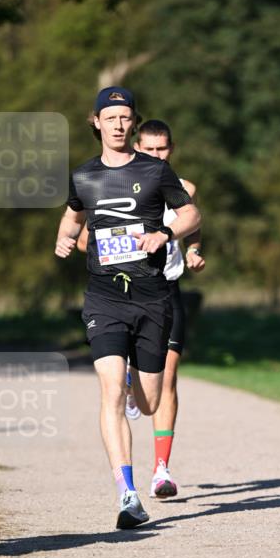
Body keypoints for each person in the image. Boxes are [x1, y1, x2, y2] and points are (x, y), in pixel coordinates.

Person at [54, 87, 201, 529]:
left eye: (125, 117)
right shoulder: (83, 176)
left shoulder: (156, 171)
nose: (118, 124)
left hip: (153, 298)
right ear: (96, 122)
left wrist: (166, 234)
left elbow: (191, 214)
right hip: (105, 298)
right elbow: (72, 217)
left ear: (132, 123)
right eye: (110, 117)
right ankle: (128, 495)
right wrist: (62, 237)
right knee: (111, 391)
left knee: (149, 401)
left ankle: (141, 378)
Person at [134, 120, 206, 499]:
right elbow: (84, 241)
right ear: (137, 146)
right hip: (126, 292)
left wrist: (193, 250)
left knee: (169, 378)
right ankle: (133, 386)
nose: (156, 156)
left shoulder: (185, 189)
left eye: (162, 149)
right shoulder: (118, 188)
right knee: (142, 390)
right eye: (149, 149)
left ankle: (161, 469)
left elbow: (192, 223)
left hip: (168, 289)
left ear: (171, 150)